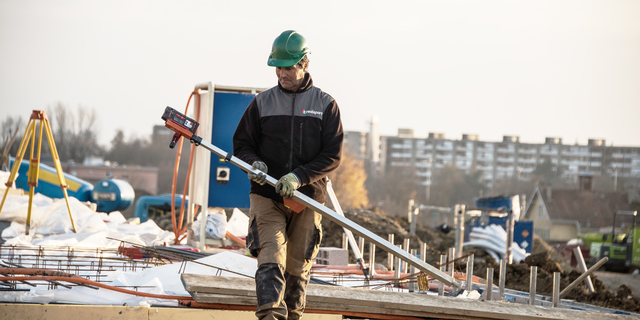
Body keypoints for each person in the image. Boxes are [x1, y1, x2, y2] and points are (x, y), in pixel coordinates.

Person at [233, 30, 343, 320]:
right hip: (267, 195)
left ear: (304, 63)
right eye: (277, 67)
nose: (281, 73)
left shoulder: (326, 105)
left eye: (288, 67)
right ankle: (270, 315)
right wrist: (253, 163)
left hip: (307, 198)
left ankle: (291, 316)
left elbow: (332, 155)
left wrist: (299, 177)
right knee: (271, 256)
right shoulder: (262, 103)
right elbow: (242, 145)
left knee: (297, 265)